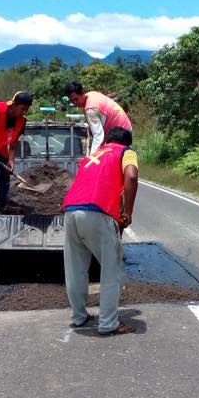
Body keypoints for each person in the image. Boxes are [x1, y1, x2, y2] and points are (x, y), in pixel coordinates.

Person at [61, 127, 138, 336]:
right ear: (126, 143)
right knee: (111, 269)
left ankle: (79, 316)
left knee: (75, 268)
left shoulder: (92, 156)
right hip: (97, 212)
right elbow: (131, 176)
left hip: (71, 211)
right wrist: (128, 212)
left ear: (107, 141)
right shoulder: (125, 152)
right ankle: (108, 323)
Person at [64, 82, 133, 154]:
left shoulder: (90, 109)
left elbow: (98, 136)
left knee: (114, 158)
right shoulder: (92, 94)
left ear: (82, 92)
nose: (74, 103)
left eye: (76, 99)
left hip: (120, 135)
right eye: (71, 100)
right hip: (126, 127)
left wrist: (92, 157)